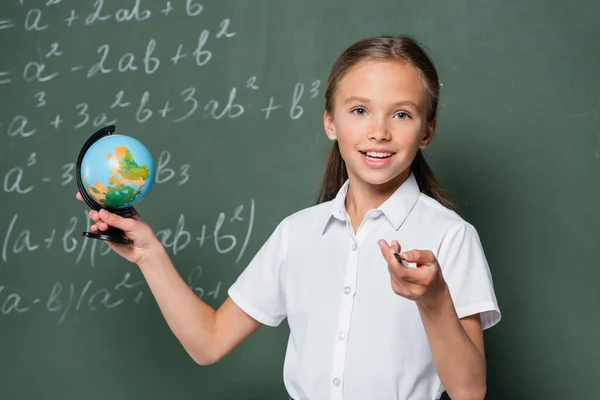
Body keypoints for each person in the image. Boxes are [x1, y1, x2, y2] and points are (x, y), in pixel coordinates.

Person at [77, 35, 500, 400]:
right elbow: (208, 343)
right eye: (359, 111)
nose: (379, 131)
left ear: (427, 131)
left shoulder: (450, 236)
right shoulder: (297, 235)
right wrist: (148, 253)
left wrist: (433, 299)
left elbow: (469, 391)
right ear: (330, 123)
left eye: (402, 114)